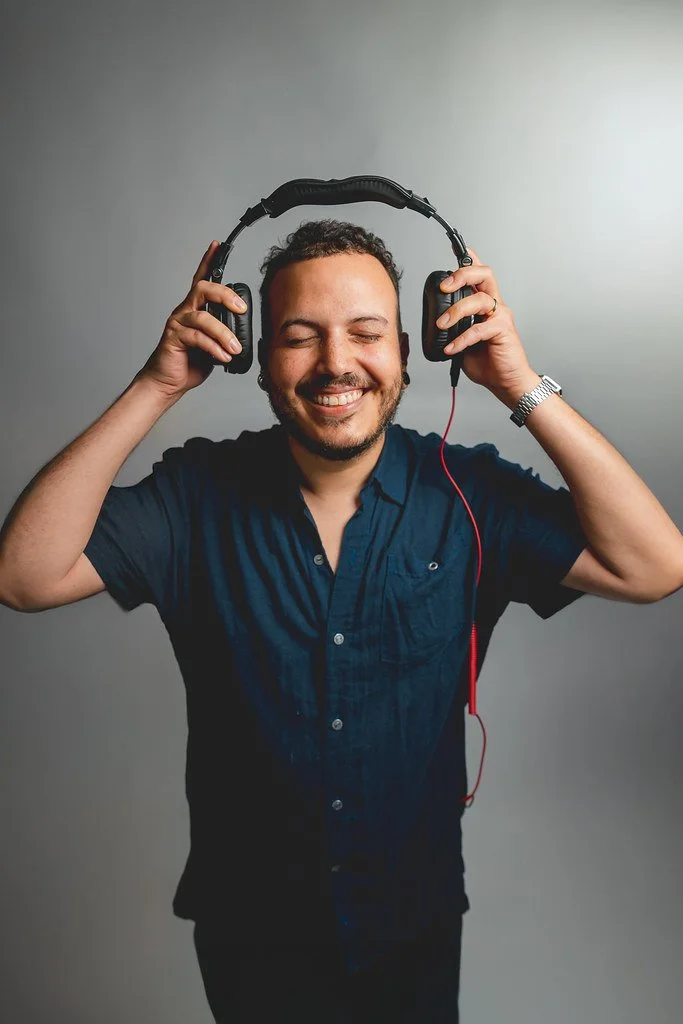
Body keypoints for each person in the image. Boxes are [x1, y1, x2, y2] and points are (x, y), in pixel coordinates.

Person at [1, 219, 681, 1024]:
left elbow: (654, 566)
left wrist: (517, 384)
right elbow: (24, 575)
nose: (335, 364)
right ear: (250, 353)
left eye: (364, 334)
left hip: (412, 925)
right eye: (298, 337)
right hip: (247, 931)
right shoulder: (195, 495)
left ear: (404, 349)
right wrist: (157, 384)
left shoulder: (468, 493)